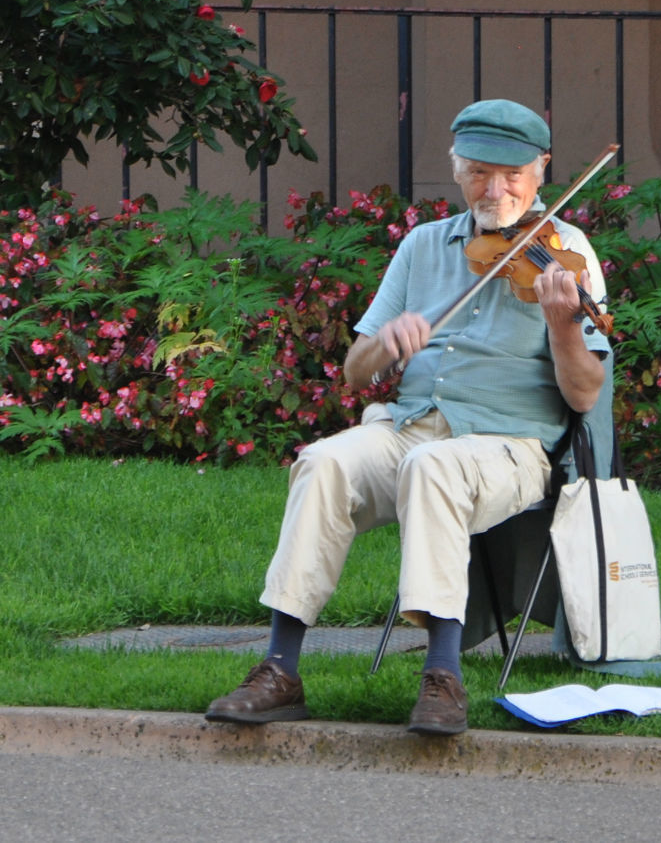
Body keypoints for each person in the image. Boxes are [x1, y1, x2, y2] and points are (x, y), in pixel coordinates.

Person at [205, 99, 610, 736]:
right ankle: (280, 670)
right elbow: (355, 370)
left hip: (509, 447)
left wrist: (564, 328)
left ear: (541, 172)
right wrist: (388, 339)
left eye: (511, 175)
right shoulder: (423, 246)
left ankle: (443, 676)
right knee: (324, 462)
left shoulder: (567, 254)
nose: (495, 189)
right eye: (479, 172)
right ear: (456, 172)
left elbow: (586, 395)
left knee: (433, 466)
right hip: (410, 426)